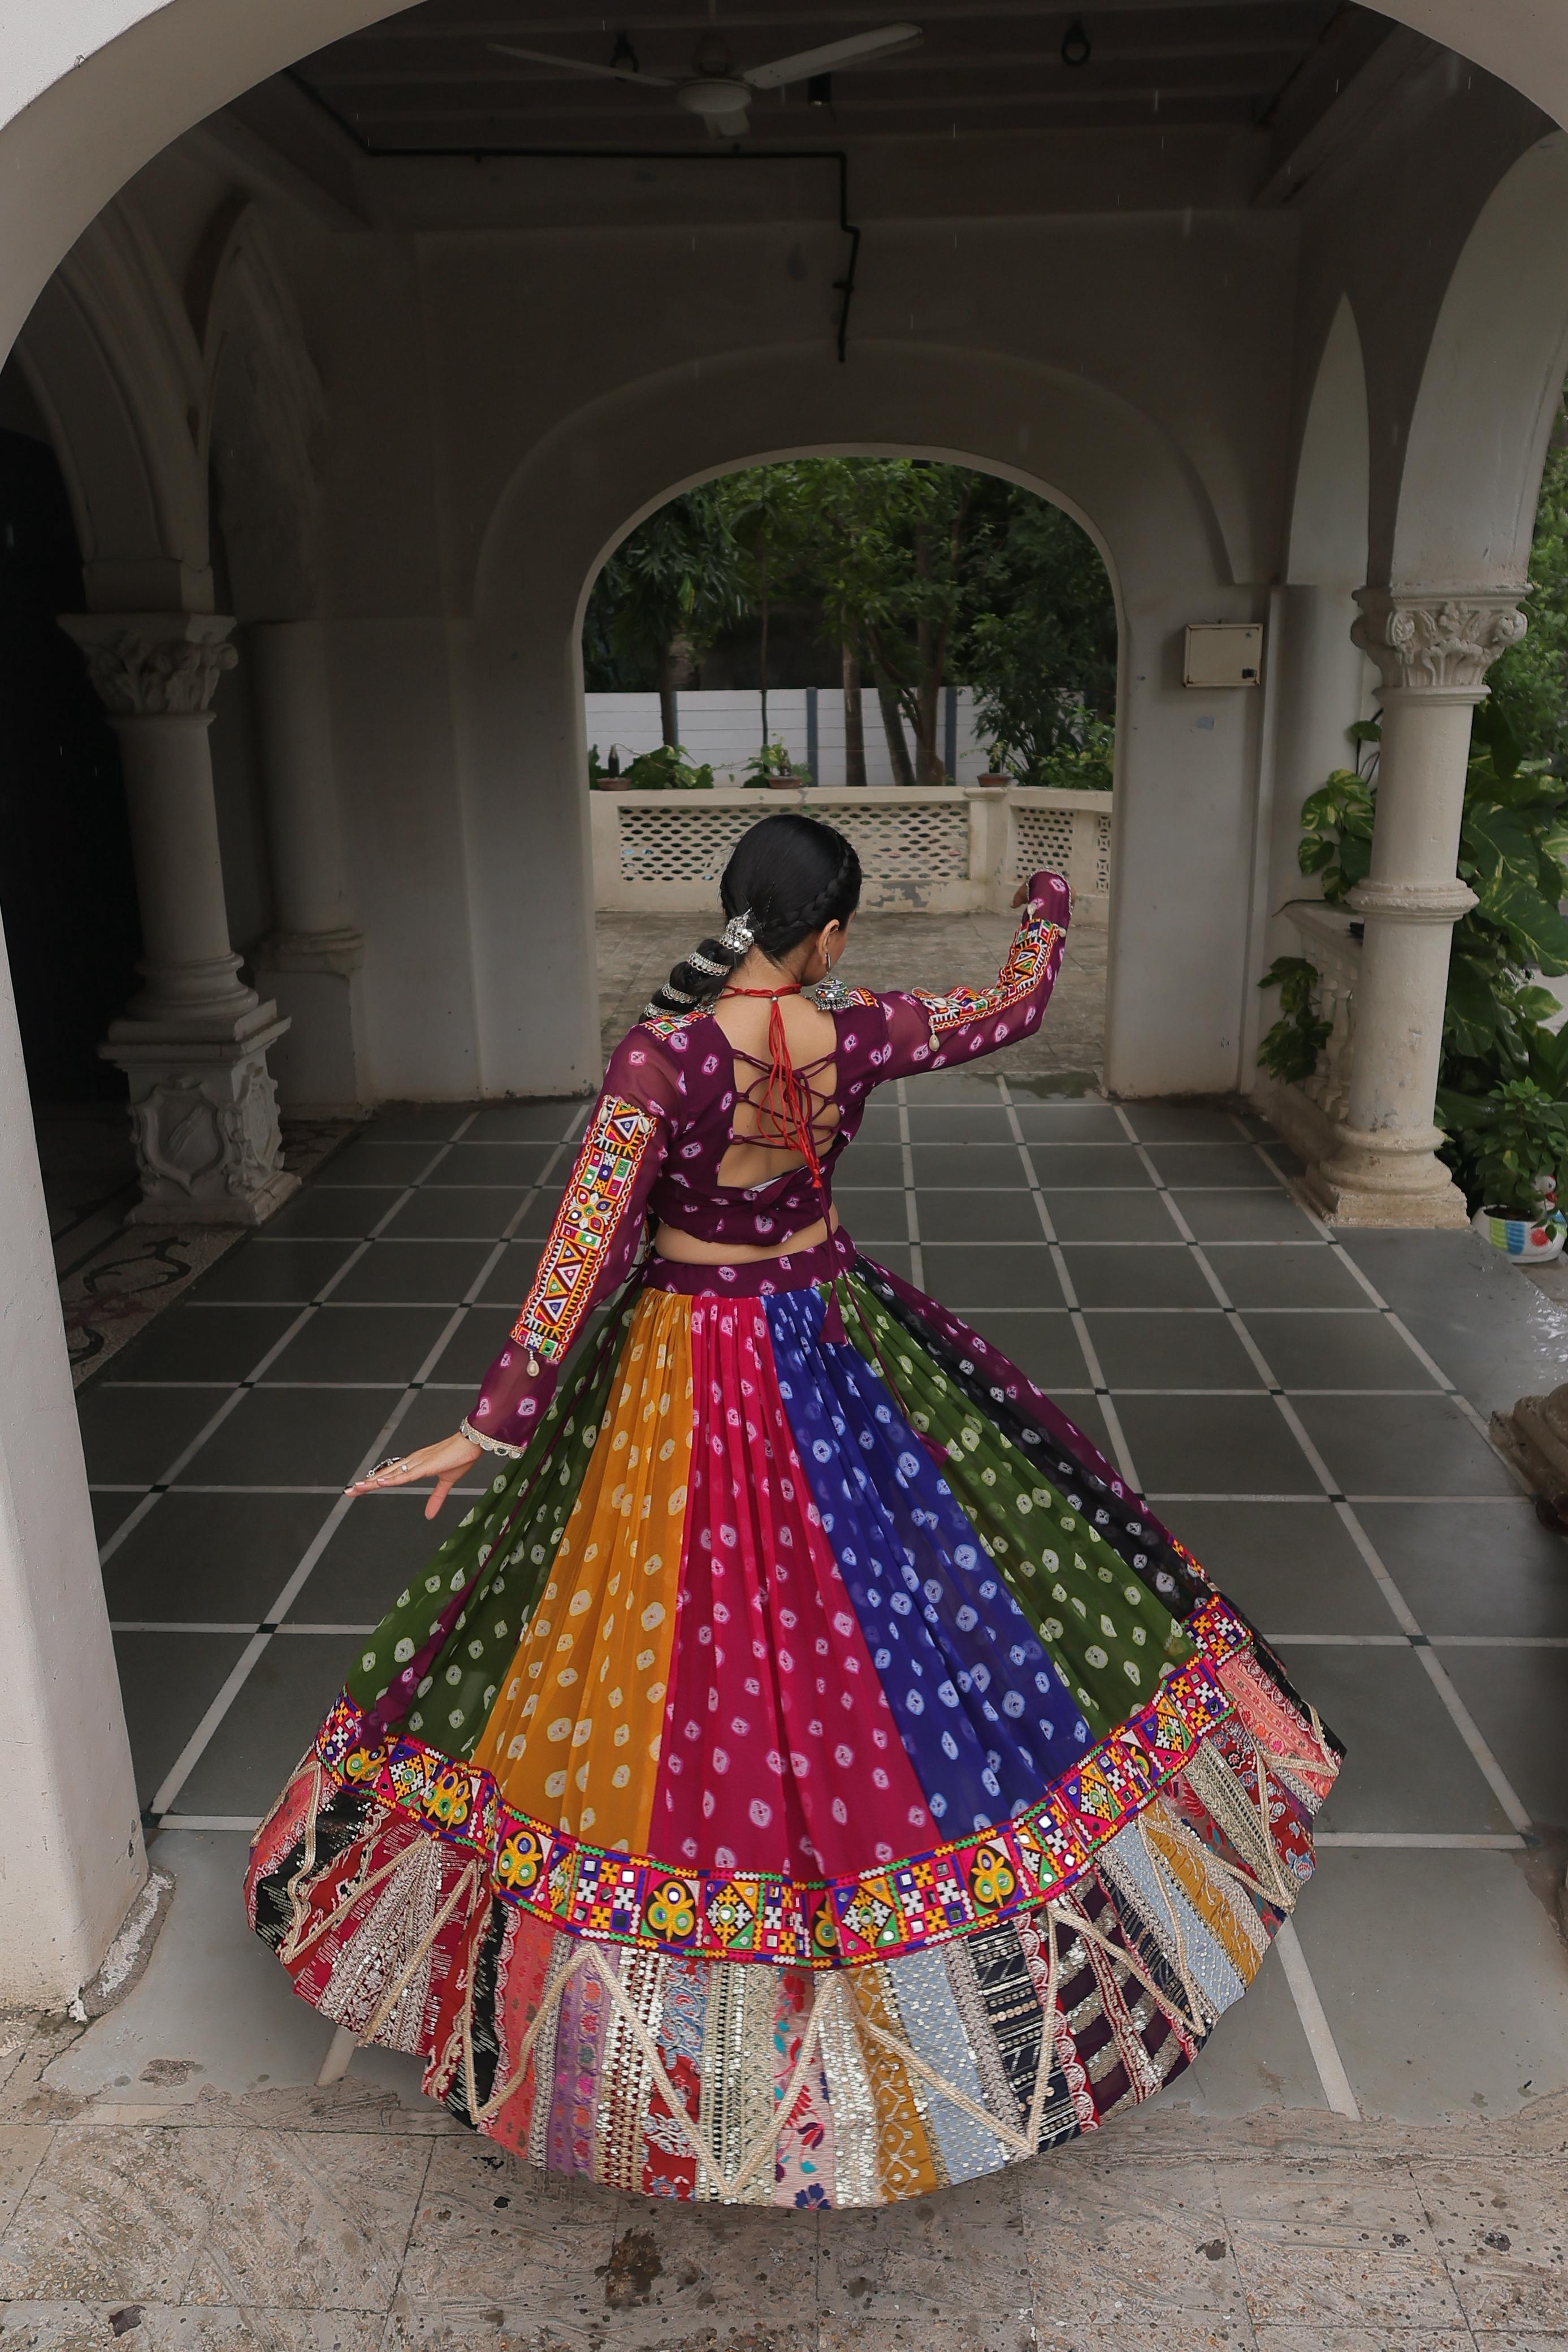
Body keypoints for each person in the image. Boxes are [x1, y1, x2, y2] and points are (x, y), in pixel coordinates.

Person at [248, 811, 1340, 2207]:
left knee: (655, 1644)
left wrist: (493, 1423)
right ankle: (955, 2018)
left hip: (680, 1366)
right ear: (825, 935)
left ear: (733, 912)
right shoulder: (861, 1028)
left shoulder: (664, 1054)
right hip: (829, 1336)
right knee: (905, 1607)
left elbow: (584, 1243)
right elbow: (1012, 1007)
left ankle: (634, 2048)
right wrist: (1049, 895)